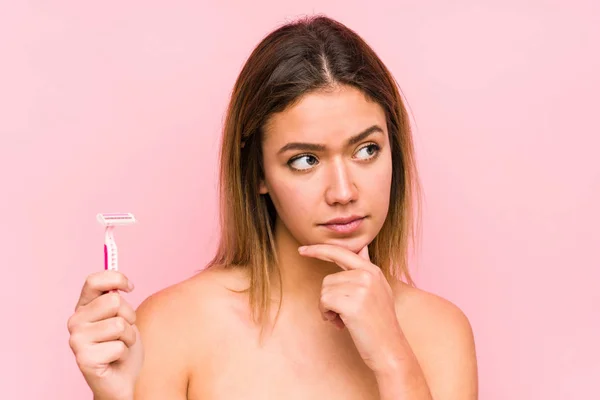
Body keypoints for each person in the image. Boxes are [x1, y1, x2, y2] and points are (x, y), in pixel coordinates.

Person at [67, 15, 478, 400]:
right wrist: (116, 395)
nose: (343, 191)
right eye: (305, 160)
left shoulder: (439, 333)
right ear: (259, 172)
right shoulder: (177, 325)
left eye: (366, 150)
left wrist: (392, 357)